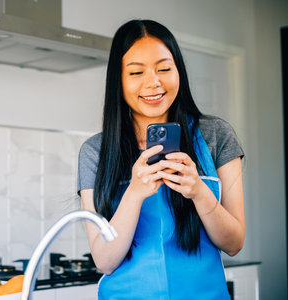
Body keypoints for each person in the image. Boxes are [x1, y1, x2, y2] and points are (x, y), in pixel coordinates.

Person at [77, 19, 245, 299]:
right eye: (136, 72)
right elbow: (104, 261)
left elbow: (234, 243)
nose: (153, 83)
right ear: (118, 79)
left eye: (164, 69)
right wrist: (134, 193)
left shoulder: (216, 135)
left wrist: (199, 192)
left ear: (179, 70)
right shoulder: (95, 152)